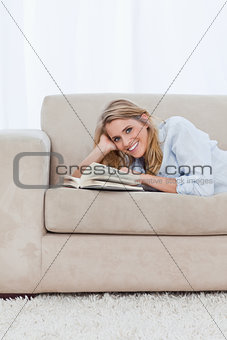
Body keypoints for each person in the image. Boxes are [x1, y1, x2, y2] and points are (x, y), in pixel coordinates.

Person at [72, 99, 227, 196]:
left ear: (145, 120)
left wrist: (141, 178)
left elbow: (203, 188)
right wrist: (102, 147)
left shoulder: (176, 129)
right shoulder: (135, 163)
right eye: (117, 138)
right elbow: (75, 183)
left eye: (128, 130)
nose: (125, 143)